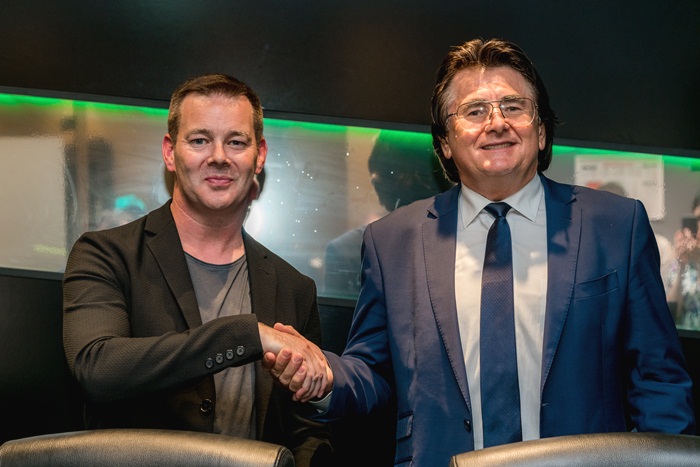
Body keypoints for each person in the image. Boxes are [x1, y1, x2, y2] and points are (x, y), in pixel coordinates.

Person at [264, 38, 696, 466]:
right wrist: (324, 376)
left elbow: (659, 380)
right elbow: (372, 373)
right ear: (445, 143)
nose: (497, 123)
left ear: (541, 131)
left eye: (514, 107)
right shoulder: (392, 241)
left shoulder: (615, 225)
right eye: (474, 111)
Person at [62, 73, 333, 466]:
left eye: (236, 141)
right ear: (170, 152)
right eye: (200, 140)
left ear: (259, 155)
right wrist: (249, 335)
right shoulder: (106, 255)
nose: (219, 156)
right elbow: (97, 368)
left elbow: (306, 430)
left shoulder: (294, 287)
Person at [323, 130, 453, 298]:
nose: (375, 178)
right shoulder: (348, 249)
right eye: (377, 169)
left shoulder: (348, 248)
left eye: (387, 171)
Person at [667, 192, 700, 330]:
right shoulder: (681, 262)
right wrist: (681, 266)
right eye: (698, 219)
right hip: (687, 339)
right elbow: (671, 314)